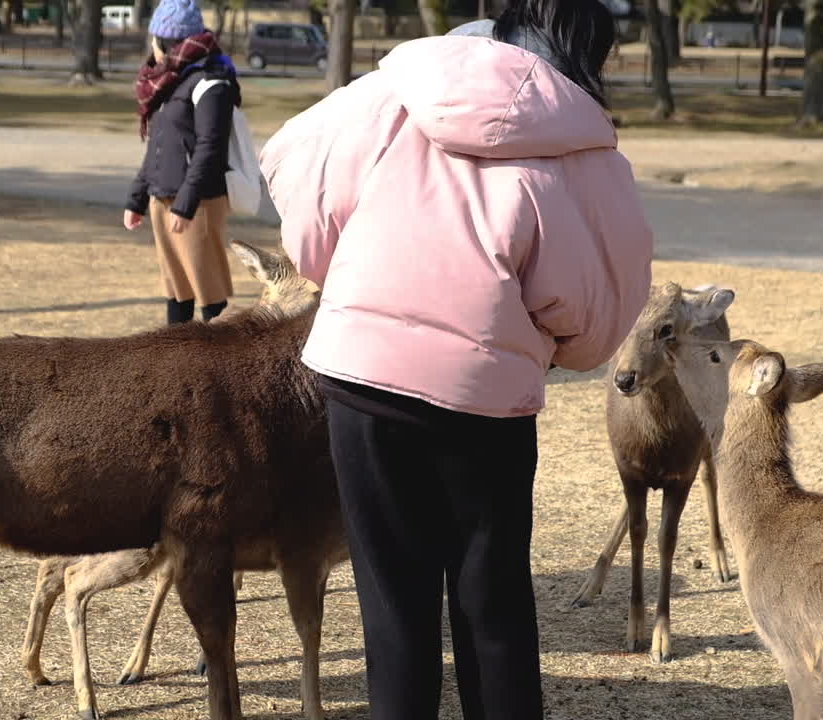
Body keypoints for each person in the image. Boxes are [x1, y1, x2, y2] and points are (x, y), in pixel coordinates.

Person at [258, 1, 654, 717]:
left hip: (358, 377)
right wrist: (551, 347)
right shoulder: (586, 150)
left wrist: (340, 271)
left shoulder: (396, 92)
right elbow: (597, 312)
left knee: (393, 610)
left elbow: (294, 166)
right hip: (483, 402)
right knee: (493, 606)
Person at [122, 0, 239, 325]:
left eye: (153, 40)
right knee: (177, 289)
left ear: (166, 41)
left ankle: (221, 365)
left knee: (209, 291)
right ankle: (176, 362)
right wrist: (137, 198)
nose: (151, 49)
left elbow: (209, 147)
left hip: (197, 202)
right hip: (163, 196)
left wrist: (185, 205)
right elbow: (158, 147)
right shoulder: (170, 81)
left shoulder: (211, 82)